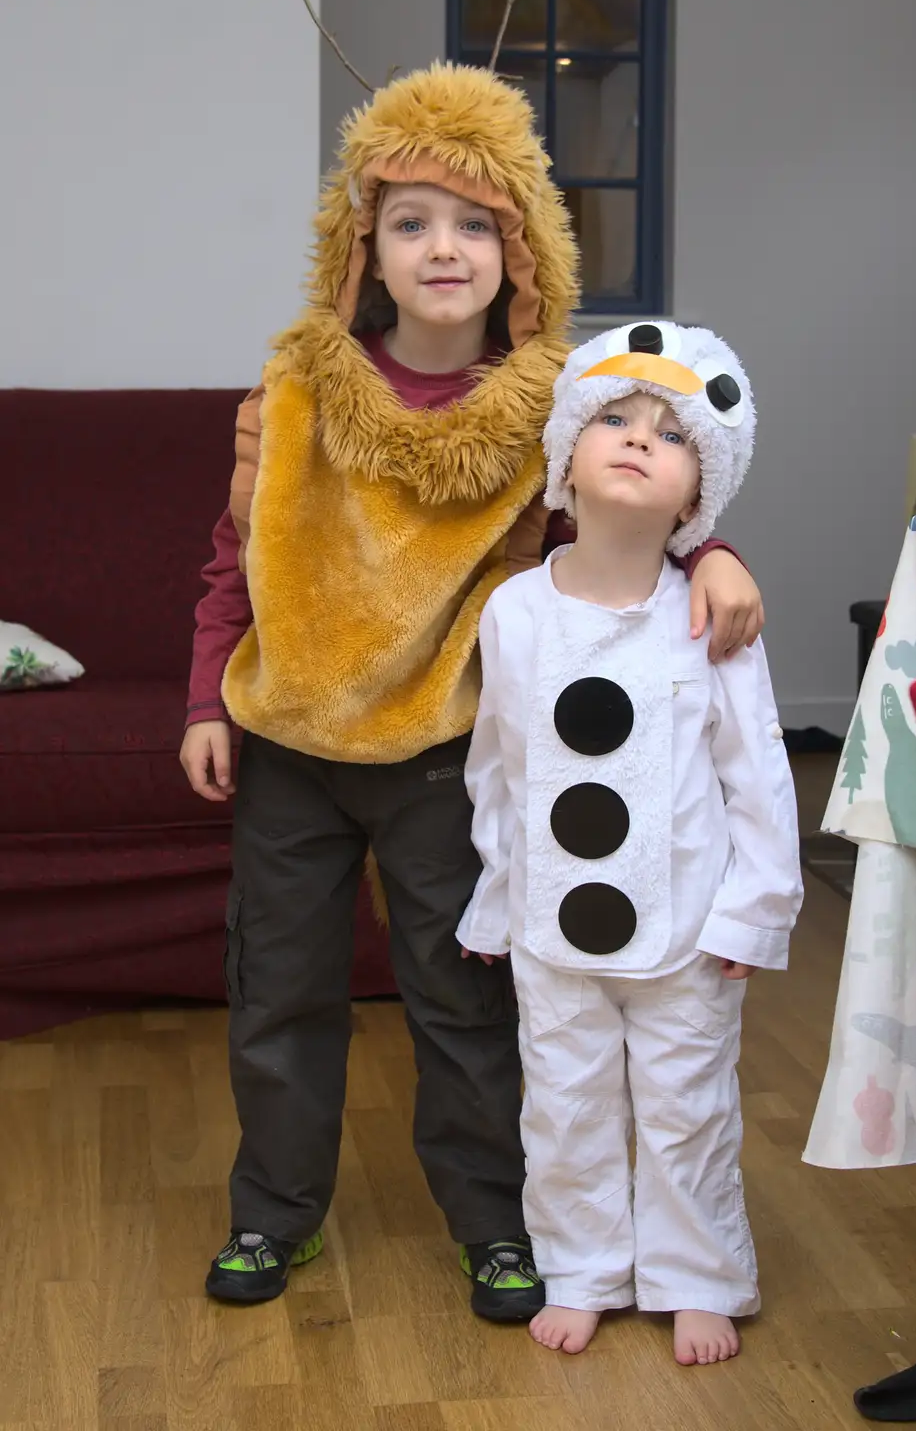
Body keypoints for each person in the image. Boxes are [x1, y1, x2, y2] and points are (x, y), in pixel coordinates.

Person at [179, 64, 765, 1318]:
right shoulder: (294, 392)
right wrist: (199, 701)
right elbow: (238, 553)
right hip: (289, 738)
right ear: (364, 251)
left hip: (449, 746)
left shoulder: (551, 410)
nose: (442, 247)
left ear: (521, 248)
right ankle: (272, 1213)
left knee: (464, 995)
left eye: (474, 222)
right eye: (409, 222)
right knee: (277, 989)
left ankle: (497, 1222)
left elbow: (624, 507)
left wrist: (709, 548)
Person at [458, 319, 804, 1360]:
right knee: (562, 1106)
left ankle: (700, 1270)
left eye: (670, 433)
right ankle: (583, 1265)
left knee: (686, 1105)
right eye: (613, 416)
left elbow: (761, 776)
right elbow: (498, 767)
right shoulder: (514, 613)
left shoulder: (712, 620)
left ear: (699, 496)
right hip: (551, 927)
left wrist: (755, 907)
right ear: (568, 452)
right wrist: (494, 897)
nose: (638, 439)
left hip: (687, 930)